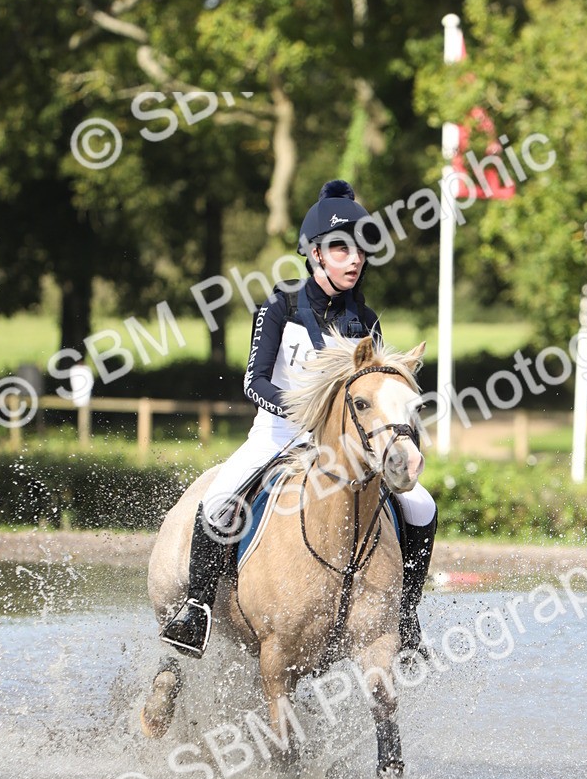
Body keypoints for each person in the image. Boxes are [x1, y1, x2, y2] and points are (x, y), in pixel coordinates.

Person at [161, 180, 437, 658]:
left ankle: (406, 615)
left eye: (360, 250)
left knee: (422, 507)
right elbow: (255, 381)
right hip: (277, 433)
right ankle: (197, 608)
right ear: (314, 254)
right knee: (220, 501)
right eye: (340, 249)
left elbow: (371, 390)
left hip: (343, 446)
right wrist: (304, 413)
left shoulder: (365, 320)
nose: (354, 260)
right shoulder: (280, 306)